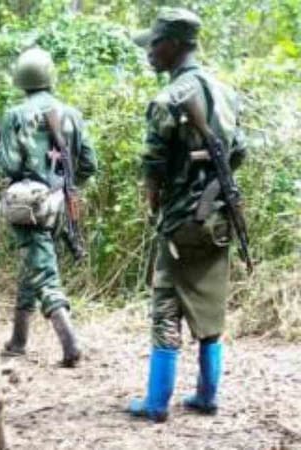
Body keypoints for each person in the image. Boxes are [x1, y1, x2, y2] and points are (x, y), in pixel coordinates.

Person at [128, 7, 247, 422]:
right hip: (218, 215)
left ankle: (156, 402)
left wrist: (156, 200)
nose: (150, 52)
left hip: (181, 219)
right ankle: (206, 395)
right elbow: (240, 152)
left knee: (166, 302)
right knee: (210, 304)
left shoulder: (167, 99)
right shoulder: (227, 92)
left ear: (174, 45)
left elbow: (153, 167)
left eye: (155, 44)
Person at [0, 47, 98, 367]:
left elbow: (8, 165)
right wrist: (63, 188)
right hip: (62, 203)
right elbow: (89, 164)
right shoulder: (72, 115)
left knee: (43, 272)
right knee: (34, 265)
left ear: (21, 80)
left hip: (31, 206)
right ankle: (18, 340)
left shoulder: (15, 116)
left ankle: (69, 341)